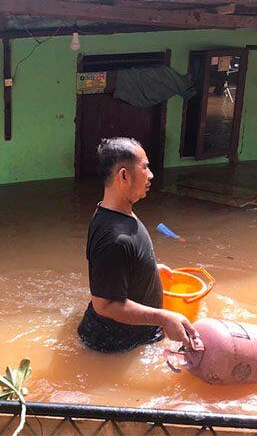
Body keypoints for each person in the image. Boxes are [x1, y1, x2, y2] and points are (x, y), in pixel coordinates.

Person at [77, 137, 198, 353]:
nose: (151, 175)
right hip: (115, 347)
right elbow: (104, 305)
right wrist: (164, 317)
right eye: (145, 167)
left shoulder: (113, 211)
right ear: (124, 175)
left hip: (130, 336)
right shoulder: (115, 239)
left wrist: (150, 271)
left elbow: (122, 264)